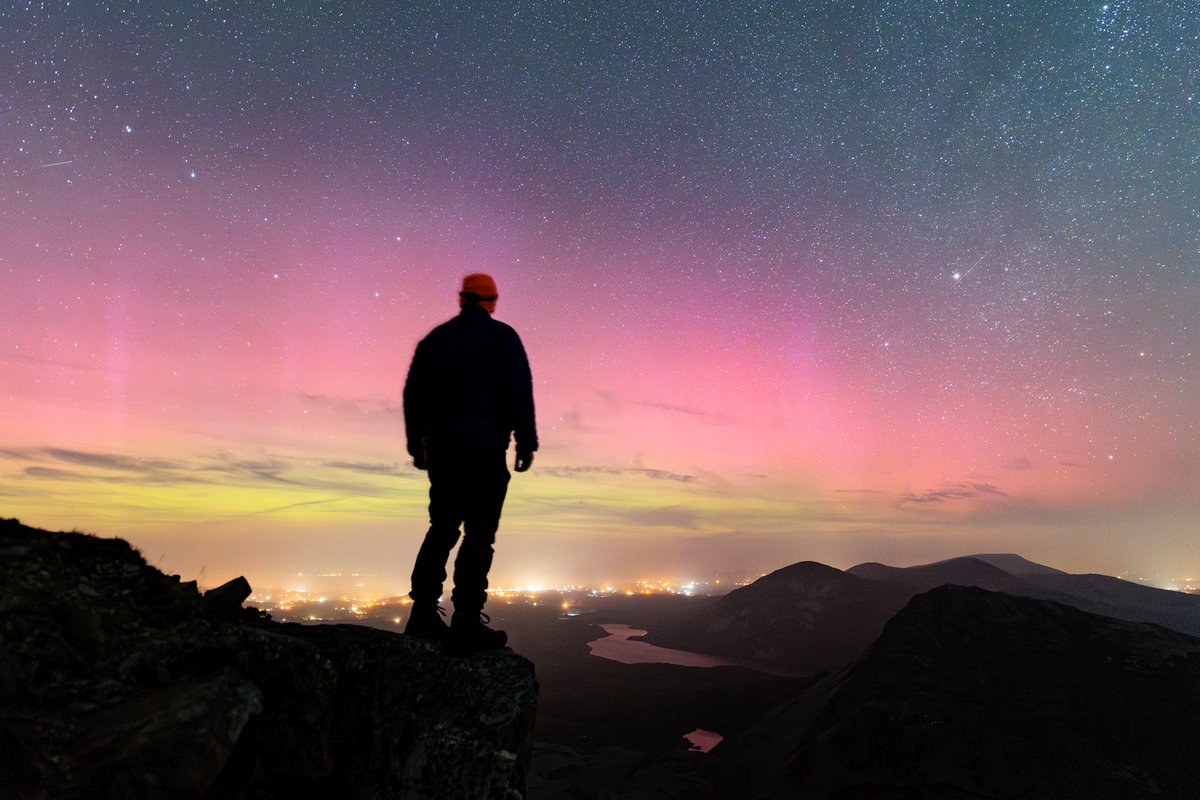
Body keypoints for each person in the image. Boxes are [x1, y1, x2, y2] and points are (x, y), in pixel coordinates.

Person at [402, 273, 538, 656]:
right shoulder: (503, 337)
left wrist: (418, 445)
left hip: (442, 454)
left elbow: (414, 395)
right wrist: (525, 442)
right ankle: (465, 624)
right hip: (483, 452)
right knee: (479, 534)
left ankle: (422, 615)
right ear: (491, 302)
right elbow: (519, 390)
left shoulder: (435, 341)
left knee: (442, 528)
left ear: (462, 300)